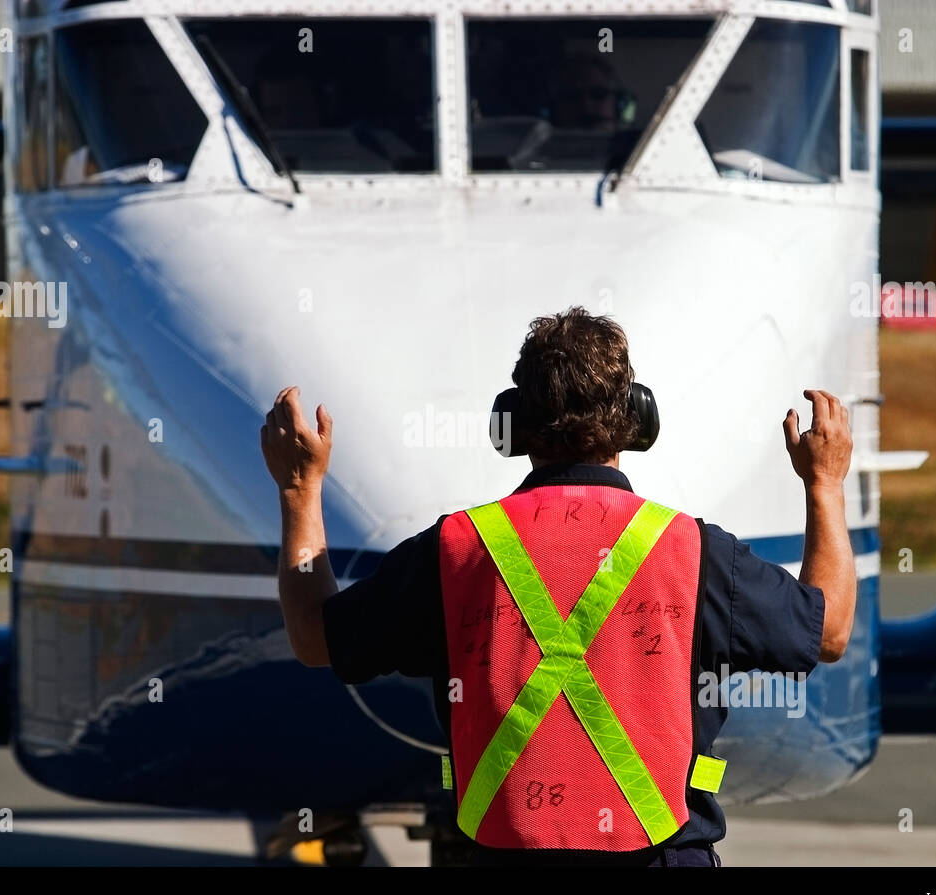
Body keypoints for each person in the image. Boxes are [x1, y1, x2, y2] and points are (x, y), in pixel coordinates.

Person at [259, 307, 855, 866]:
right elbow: (828, 631)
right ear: (637, 420)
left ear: (510, 425)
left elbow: (315, 637)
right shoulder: (693, 550)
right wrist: (823, 485)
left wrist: (298, 490)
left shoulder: (456, 548)